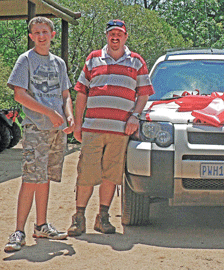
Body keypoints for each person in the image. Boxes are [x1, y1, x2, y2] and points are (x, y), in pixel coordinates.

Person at [67, 19, 153, 236]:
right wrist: (78, 124)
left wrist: (135, 116)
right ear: (106, 36)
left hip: (120, 130)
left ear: (126, 36)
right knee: (86, 174)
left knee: (111, 175)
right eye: (111, 34)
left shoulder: (136, 62)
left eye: (119, 34)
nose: (115, 37)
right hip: (93, 128)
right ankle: (78, 218)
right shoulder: (93, 59)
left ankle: (102, 218)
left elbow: (143, 94)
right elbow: (81, 92)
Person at [4, 17, 74, 252]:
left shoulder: (59, 63)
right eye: (36, 32)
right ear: (31, 36)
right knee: (30, 178)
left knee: (44, 177)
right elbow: (19, 95)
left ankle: (41, 225)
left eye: (45, 31)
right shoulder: (26, 60)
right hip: (36, 128)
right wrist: (49, 112)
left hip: (56, 129)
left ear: (53, 35)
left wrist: (69, 115)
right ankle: (18, 231)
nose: (41, 36)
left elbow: (66, 94)